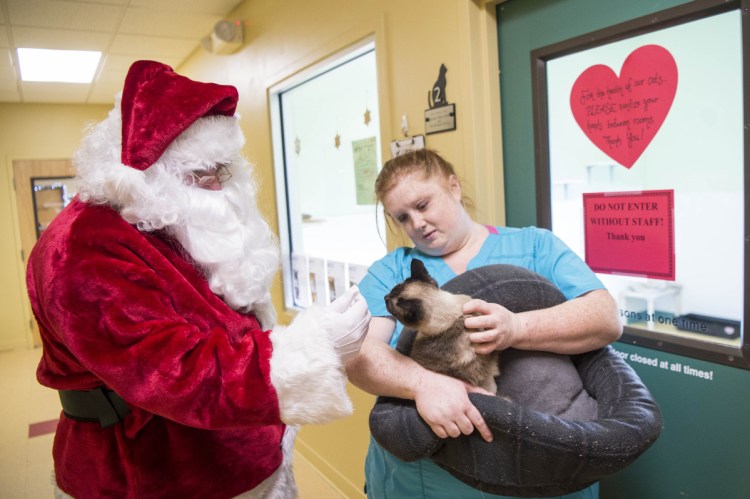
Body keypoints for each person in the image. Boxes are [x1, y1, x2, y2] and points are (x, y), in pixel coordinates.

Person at [26, 60, 370, 499]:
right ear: (142, 173)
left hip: (240, 455)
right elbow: (171, 370)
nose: (214, 187)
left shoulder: (166, 221)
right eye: (197, 173)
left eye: (221, 170)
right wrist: (310, 349)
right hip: (152, 475)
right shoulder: (84, 245)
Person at [346, 148, 622, 498]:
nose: (416, 224)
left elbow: (605, 319)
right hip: (421, 481)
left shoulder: (536, 247)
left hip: (540, 470)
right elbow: (359, 358)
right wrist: (423, 384)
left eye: (423, 205)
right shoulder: (391, 272)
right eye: (402, 217)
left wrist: (516, 328)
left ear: (454, 187)